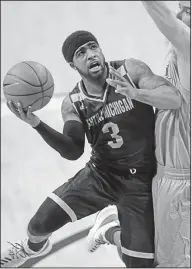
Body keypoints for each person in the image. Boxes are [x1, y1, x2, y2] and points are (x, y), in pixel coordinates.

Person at [1, 30, 181, 268]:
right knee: (38, 225)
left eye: (93, 47)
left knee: (139, 264)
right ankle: (32, 248)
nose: (91, 55)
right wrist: (37, 124)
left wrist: (137, 94)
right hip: (102, 176)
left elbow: (173, 97)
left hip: (143, 181)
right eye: (81, 53)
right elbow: (73, 150)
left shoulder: (130, 71)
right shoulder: (74, 102)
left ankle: (107, 229)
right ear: (72, 64)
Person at [88, 1, 190, 267]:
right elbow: (168, 22)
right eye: (180, 7)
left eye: (187, 9)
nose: (179, 15)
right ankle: (111, 229)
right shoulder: (186, 48)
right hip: (179, 179)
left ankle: (111, 228)